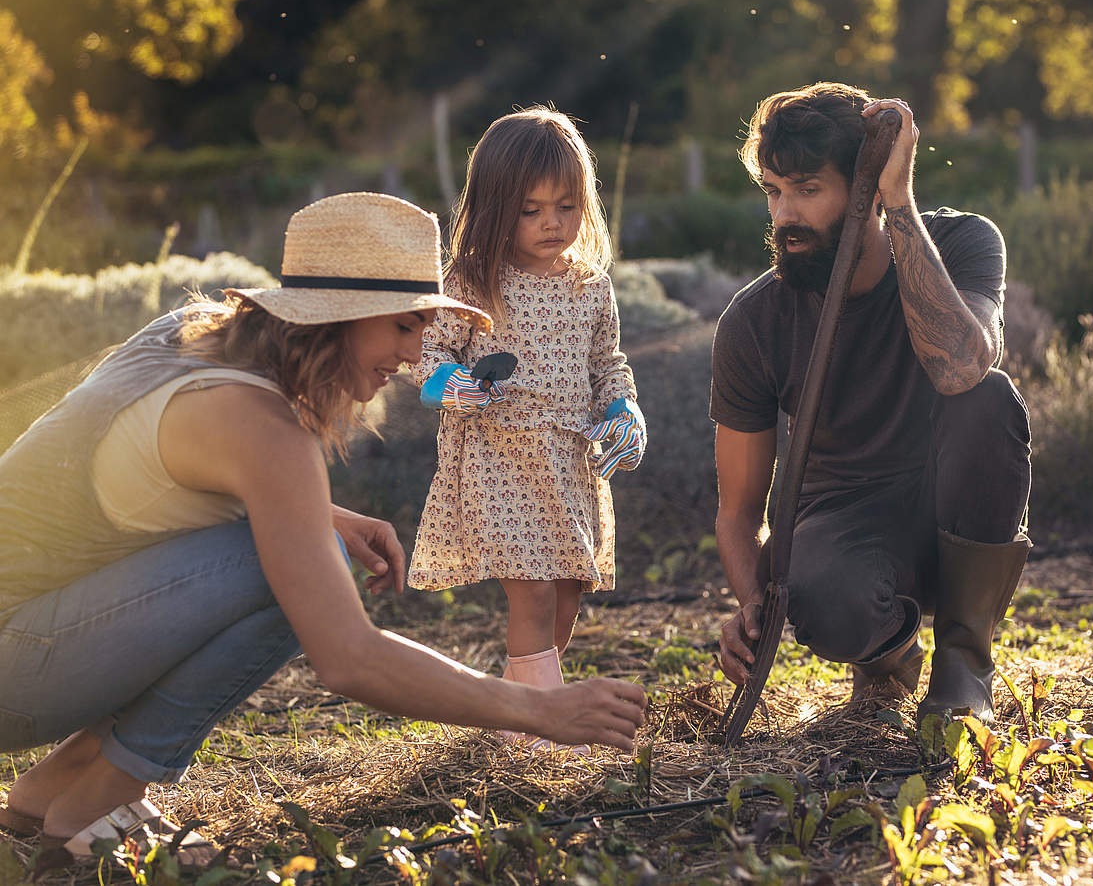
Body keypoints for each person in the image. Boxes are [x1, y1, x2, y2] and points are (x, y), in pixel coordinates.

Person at [0, 193, 647, 866]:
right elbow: (348, 657)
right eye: (403, 326)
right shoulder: (263, 430)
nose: (414, 352)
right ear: (340, 318)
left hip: (25, 632)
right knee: (298, 574)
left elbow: (134, 473)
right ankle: (97, 803)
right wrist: (540, 711)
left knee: (309, 545)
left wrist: (322, 514)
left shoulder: (190, 337)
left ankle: (55, 790)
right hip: (15, 671)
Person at [712, 82, 1032, 724]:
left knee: (988, 398)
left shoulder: (966, 243)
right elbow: (740, 507)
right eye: (774, 191)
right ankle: (888, 656)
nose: (784, 216)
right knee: (827, 599)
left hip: (952, 499)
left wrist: (899, 203)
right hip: (843, 515)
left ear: (864, 186)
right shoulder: (754, 321)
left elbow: (962, 368)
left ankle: (964, 662)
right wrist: (752, 601)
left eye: (807, 190)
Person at [407, 108, 646, 750]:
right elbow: (429, 355)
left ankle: (516, 715)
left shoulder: (590, 285)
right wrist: (449, 386)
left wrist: (624, 410)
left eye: (565, 206)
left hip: (568, 459)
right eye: (530, 209)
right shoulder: (473, 281)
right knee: (533, 592)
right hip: (500, 456)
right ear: (495, 207)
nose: (551, 223)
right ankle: (542, 728)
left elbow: (608, 365)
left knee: (565, 595)